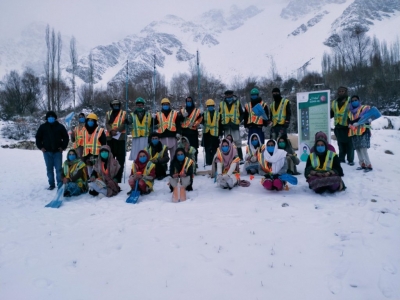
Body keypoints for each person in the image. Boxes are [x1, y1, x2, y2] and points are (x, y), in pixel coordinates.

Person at [35, 111, 69, 190]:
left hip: (57, 152)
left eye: (52, 117)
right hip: (47, 152)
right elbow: (38, 138)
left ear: (55, 118)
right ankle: (51, 184)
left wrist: (63, 147)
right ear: (47, 118)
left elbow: (66, 137)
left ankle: (59, 184)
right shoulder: (43, 127)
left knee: (59, 169)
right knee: (49, 169)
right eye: (49, 117)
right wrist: (41, 147)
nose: (51, 118)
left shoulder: (60, 127)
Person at [347, 95, 373, 172]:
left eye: (356, 100)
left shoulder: (364, 108)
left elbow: (368, 118)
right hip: (354, 132)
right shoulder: (350, 111)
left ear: (359, 100)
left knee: (363, 148)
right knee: (358, 148)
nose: (354, 102)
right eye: (353, 101)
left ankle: (368, 164)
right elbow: (348, 120)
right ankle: (362, 164)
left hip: (363, 131)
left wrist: (358, 123)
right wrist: (349, 125)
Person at [106, 98, 128, 182]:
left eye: (117, 105)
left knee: (120, 159)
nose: (115, 106)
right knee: (110, 158)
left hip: (120, 138)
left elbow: (124, 123)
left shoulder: (124, 113)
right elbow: (107, 123)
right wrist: (111, 131)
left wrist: (117, 130)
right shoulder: (108, 114)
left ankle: (118, 177)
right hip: (110, 138)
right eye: (114, 105)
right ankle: (110, 175)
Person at [219, 90, 245, 162]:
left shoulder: (237, 102)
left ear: (232, 95)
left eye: (230, 95)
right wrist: (221, 127)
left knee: (237, 142)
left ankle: (240, 158)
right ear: (225, 96)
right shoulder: (222, 104)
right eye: (227, 95)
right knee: (227, 142)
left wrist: (239, 120)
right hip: (226, 125)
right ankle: (228, 158)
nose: (228, 96)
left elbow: (242, 113)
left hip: (234, 125)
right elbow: (219, 115)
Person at [331, 86, 354, 165]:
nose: (341, 92)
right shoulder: (334, 102)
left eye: (343, 91)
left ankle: (350, 160)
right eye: (339, 91)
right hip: (338, 127)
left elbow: (355, 112)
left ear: (346, 92)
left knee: (349, 145)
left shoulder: (350, 101)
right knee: (340, 144)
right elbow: (332, 113)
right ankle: (341, 158)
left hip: (348, 127)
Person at [180, 96, 203, 165]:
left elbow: (200, 119)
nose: (189, 102)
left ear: (192, 102)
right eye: (187, 101)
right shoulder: (182, 110)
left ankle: (194, 162)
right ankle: (185, 162)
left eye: (190, 101)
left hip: (193, 132)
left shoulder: (197, 110)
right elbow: (178, 120)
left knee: (194, 148)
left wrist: (194, 124)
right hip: (184, 132)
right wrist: (182, 116)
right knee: (184, 147)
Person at [128, 97, 152, 162]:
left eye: (141, 105)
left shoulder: (148, 115)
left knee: (145, 152)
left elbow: (151, 125)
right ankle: (136, 166)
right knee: (136, 153)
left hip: (145, 136)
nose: (139, 106)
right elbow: (129, 122)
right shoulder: (132, 115)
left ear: (143, 105)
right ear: (136, 105)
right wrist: (127, 121)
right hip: (136, 137)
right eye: (138, 105)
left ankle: (145, 167)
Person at [201, 99, 220, 166]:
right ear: (207, 106)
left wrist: (220, 133)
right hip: (207, 134)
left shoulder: (218, 114)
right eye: (209, 106)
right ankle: (208, 162)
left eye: (211, 105)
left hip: (215, 134)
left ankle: (214, 161)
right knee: (207, 149)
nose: (210, 107)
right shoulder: (204, 113)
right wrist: (201, 119)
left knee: (215, 149)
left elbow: (220, 124)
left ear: (213, 106)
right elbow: (201, 121)